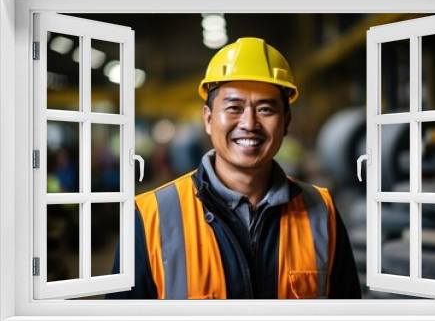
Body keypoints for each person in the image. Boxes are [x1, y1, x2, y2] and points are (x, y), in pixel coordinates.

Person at [106, 37, 361, 299]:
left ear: (286, 122)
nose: (249, 123)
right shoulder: (151, 216)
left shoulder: (321, 210)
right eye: (234, 108)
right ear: (208, 119)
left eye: (265, 109)